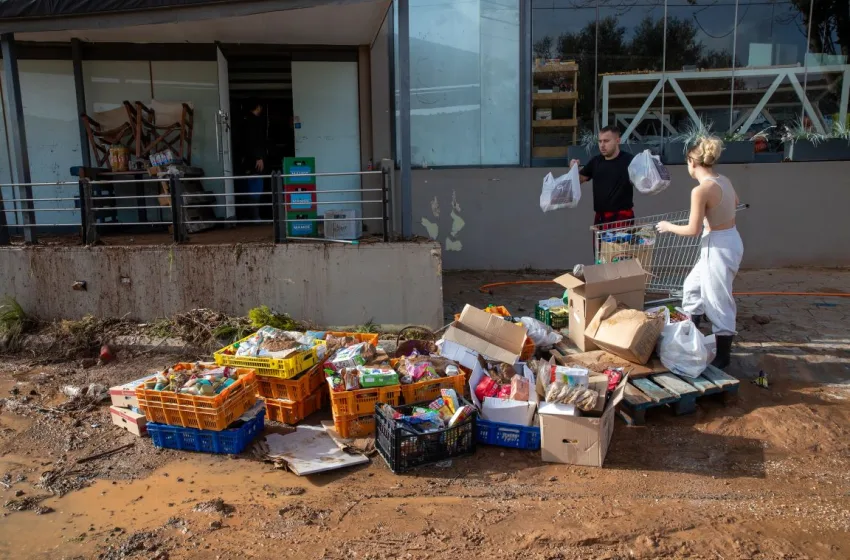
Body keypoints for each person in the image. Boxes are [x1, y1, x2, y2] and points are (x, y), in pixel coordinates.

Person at [655, 136, 743, 370]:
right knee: (692, 288)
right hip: (729, 238)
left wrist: (668, 226)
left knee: (717, 299)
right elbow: (735, 201)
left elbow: (692, 230)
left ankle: (723, 356)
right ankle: (691, 339)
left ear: (692, 162)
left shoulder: (701, 190)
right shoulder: (723, 179)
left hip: (718, 245)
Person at [570, 125, 635, 230]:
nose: (602, 145)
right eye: (600, 141)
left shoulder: (629, 160)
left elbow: (645, 181)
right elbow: (578, 180)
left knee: (619, 247)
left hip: (622, 216)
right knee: (600, 247)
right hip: (601, 217)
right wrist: (573, 170)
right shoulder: (596, 161)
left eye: (606, 141)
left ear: (617, 141)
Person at [241, 99, 267, 221]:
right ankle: (254, 216)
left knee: (252, 187)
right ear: (258, 107)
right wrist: (259, 157)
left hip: (248, 161)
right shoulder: (253, 121)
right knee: (255, 187)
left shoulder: (246, 120)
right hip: (253, 162)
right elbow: (253, 141)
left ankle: (252, 215)